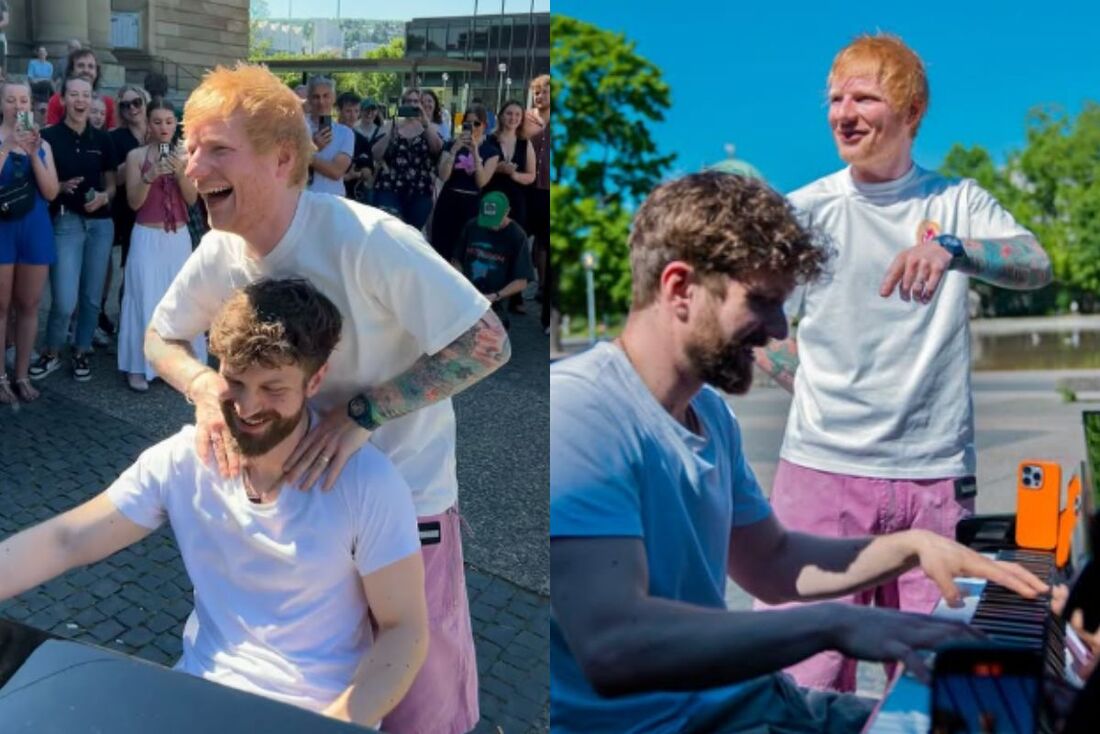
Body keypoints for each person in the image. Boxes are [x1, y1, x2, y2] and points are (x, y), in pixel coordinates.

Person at [550, 171, 1050, 734]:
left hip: (742, 704)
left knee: (1005, 722)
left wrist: (913, 546)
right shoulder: (579, 410)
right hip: (670, 724)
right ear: (679, 287)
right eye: (761, 302)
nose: (779, 328)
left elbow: (771, 562)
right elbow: (615, 646)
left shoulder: (710, 414)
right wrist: (831, 625)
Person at [143, 63, 510, 734]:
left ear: (284, 159)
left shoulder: (368, 241)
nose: (192, 167)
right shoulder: (220, 250)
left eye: (215, 149)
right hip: (304, 518)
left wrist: (364, 414)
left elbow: (487, 343)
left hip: (408, 506)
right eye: (188, 148)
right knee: (323, 701)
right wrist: (202, 388)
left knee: (420, 711)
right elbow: (160, 337)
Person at [750, 33, 1054, 694]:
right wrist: (813, 388)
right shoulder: (805, 211)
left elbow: (1036, 265)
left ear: (911, 113)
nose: (843, 112)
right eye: (835, 99)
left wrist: (954, 249)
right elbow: (755, 327)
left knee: (930, 677)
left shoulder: (957, 202)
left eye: (865, 96)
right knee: (802, 675)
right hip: (824, 474)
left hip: (935, 479)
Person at [1, 277, 429, 726]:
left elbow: (405, 629)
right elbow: (68, 540)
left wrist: (336, 723)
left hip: (314, 712)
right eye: (235, 382)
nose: (246, 408)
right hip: (197, 694)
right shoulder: (186, 460)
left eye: (273, 389)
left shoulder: (366, 484)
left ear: (315, 379)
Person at [29, 76, 116, 383]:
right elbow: (41, 180)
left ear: (93, 100)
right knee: (65, 299)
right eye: (74, 94)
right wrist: (60, 185)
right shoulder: (48, 136)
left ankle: (81, 349)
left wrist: (106, 195)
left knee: (91, 297)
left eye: (86, 94)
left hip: (100, 223)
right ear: (63, 99)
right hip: (66, 220)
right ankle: (51, 351)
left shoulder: (102, 139)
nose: (80, 100)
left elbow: (112, 182)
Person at [118, 99, 202, 392]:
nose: (164, 127)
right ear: (149, 125)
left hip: (177, 237)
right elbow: (133, 202)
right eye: (157, 122)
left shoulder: (187, 155)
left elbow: (192, 200)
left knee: (179, 301)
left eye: (169, 122)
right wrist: (150, 174)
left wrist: (180, 171)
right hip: (146, 235)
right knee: (143, 298)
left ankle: (178, 366)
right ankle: (138, 366)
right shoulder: (136, 156)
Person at [0, 80, 59, 404]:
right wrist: (8, 146)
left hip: (34, 226)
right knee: (0, 306)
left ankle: (21, 374)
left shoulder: (44, 145)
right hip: (2, 228)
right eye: (11, 100)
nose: (18, 105)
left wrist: (35, 152)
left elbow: (51, 192)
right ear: (2, 104)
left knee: (29, 304)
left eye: (23, 99)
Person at [452, 192, 532, 330]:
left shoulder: (517, 236)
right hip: (468, 294)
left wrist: (496, 296)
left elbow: (522, 281)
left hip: (495, 299)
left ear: (507, 211)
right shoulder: (472, 225)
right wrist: (461, 284)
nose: (490, 225)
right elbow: (456, 260)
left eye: (495, 219)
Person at [371, 88, 442, 230]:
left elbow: (437, 149)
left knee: (412, 234)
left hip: (420, 190)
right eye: (408, 101)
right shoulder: (391, 124)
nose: (412, 104)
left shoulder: (430, 127)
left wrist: (425, 122)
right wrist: (392, 130)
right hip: (390, 187)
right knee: (391, 231)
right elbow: (376, 154)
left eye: (416, 101)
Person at [430, 103, 492, 262]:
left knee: (467, 252)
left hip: (472, 205)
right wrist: (454, 150)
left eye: (477, 123)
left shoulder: (490, 150)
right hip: (449, 200)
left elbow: (482, 182)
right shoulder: (451, 144)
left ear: (484, 125)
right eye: (468, 123)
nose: (472, 127)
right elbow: (443, 176)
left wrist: (475, 152)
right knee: (442, 249)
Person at [523, 74, 552, 332]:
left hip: (549, 190)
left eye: (543, 92)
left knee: (546, 242)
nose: (538, 96)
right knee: (525, 239)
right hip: (528, 187)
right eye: (535, 92)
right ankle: (517, 291)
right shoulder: (527, 119)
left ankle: (544, 288)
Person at [304, 76, 353, 197]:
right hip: (303, 199)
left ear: (333, 98)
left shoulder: (345, 133)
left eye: (326, 96)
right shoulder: (297, 127)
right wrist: (313, 147)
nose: (321, 102)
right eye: (316, 97)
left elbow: (336, 172)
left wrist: (307, 154)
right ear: (309, 99)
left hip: (334, 199)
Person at [47, 49, 116, 129]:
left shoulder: (108, 103)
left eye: (91, 67)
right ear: (71, 71)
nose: (86, 70)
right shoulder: (57, 100)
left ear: (97, 72)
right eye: (80, 66)